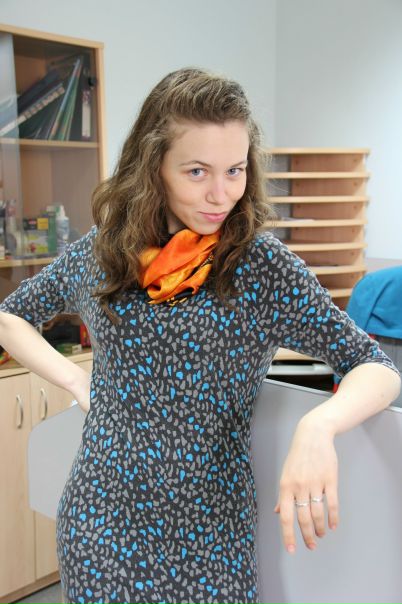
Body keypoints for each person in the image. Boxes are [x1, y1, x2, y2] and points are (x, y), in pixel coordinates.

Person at [0, 67, 399, 604]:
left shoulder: (261, 266)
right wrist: (76, 381)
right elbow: (11, 316)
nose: (221, 194)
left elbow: (375, 366)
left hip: (214, 536)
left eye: (235, 170)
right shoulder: (107, 250)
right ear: (154, 167)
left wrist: (319, 427)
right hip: (102, 522)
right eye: (196, 171)